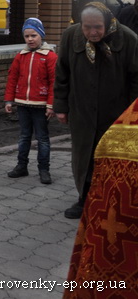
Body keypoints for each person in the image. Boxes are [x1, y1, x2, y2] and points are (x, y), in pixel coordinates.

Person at [54, 2, 138, 219]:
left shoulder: (127, 39)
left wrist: (131, 116)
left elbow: (136, 81)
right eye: (87, 27)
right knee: (84, 157)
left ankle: (113, 202)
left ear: (108, 22)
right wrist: (61, 107)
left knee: (112, 159)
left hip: (116, 115)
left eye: (98, 27)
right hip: (82, 112)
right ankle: (84, 199)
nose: (92, 32)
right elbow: (62, 73)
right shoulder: (71, 36)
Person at [64, 97, 138, 297]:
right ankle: (82, 196)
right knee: (84, 163)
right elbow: (64, 77)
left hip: (112, 113)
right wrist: (62, 106)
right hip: (85, 118)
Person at [4, 17, 57, 184]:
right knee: (24, 136)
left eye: (33, 35)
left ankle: (44, 170)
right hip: (22, 103)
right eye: (27, 36)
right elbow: (12, 78)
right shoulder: (21, 56)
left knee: (42, 138)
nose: (30, 39)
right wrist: (8, 100)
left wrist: (51, 104)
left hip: (41, 105)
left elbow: (54, 82)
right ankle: (22, 166)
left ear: (41, 35)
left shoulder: (50, 57)